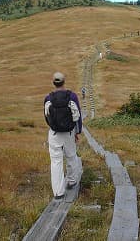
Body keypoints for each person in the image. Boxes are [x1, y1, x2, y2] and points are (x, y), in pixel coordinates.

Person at [44, 72, 82, 200]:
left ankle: (58, 192)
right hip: (69, 133)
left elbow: (47, 117)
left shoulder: (48, 98)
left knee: (56, 161)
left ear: (53, 82)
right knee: (71, 156)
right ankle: (71, 181)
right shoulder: (72, 96)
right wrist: (77, 132)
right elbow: (78, 116)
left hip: (54, 134)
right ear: (64, 82)